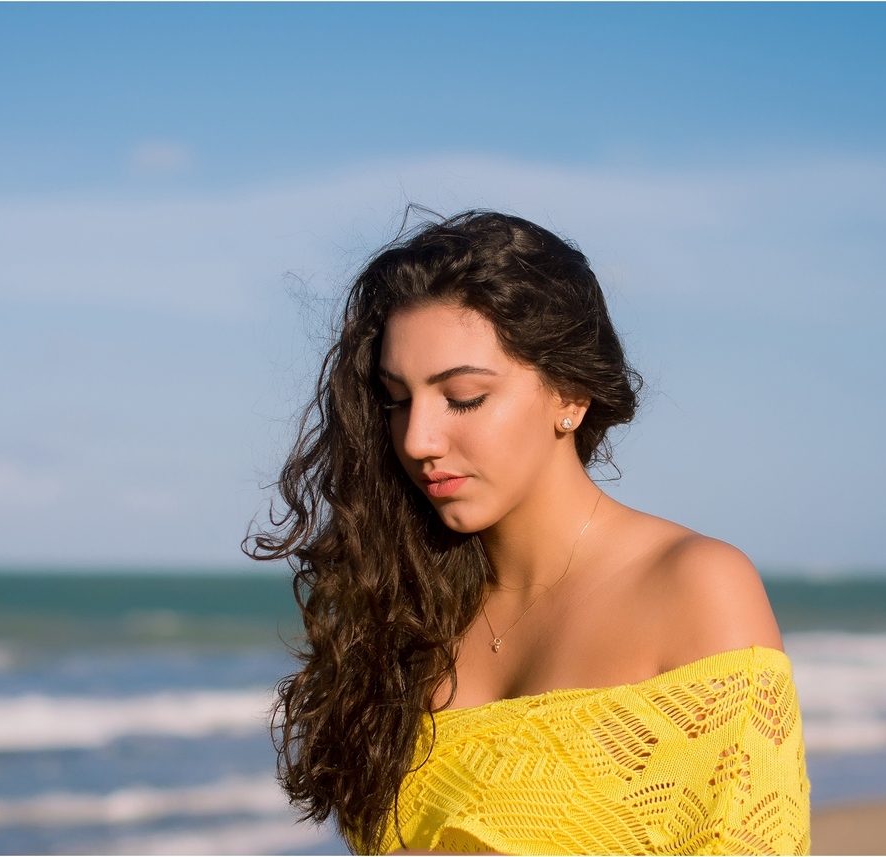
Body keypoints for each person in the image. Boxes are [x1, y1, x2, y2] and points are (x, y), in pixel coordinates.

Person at [245, 210, 810, 855]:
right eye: (397, 399)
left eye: (462, 396)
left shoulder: (695, 586)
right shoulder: (407, 608)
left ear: (569, 395)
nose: (418, 439)